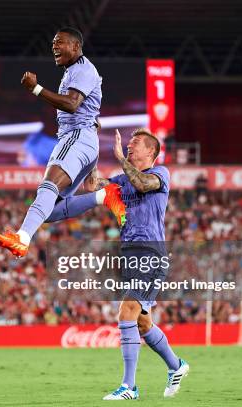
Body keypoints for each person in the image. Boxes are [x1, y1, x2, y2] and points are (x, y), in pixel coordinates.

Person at [51, 128, 189, 400]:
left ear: (151, 151)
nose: (129, 147)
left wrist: (119, 159)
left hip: (150, 253)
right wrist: (90, 150)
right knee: (142, 323)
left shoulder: (161, 174)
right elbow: (93, 186)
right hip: (129, 255)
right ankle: (176, 365)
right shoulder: (121, 180)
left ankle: (129, 387)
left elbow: (142, 184)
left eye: (135, 144)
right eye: (128, 144)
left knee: (126, 311)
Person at [0, 27, 125, 258]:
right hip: (81, 139)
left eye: (59, 42)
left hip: (77, 137)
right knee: (48, 210)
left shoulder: (83, 69)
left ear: (75, 46)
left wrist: (36, 89)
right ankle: (104, 196)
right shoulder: (74, 71)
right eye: (52, 44)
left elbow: (71, 104)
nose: (54, 47)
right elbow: (84, 105)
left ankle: (22, 238)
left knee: (48, 186)